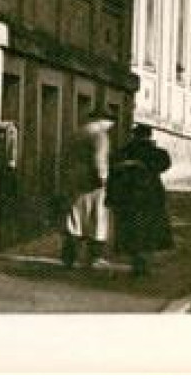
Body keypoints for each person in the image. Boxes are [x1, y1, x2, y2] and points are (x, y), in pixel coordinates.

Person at [107, 123, 174, 277]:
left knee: (132, 230)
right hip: (149, 198)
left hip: (128, 198)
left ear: (134, 135)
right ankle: (143, 263)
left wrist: (111, 197)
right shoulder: (156, 153)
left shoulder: (124, 152)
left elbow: (114, 174)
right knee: (148, 231)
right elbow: (164, 164)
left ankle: (137, 262)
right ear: (148, 136)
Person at [60, 107, 113, 269]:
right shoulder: (99, 135)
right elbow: (99, 160)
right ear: (102, 120)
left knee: (74, 220)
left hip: (74, 182)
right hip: (93, 185)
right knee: (97, 220)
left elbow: (64, 157)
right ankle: (94, 258)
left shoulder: (76, 133)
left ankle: (69, 257)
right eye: (110, 122)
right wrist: (104, 180)